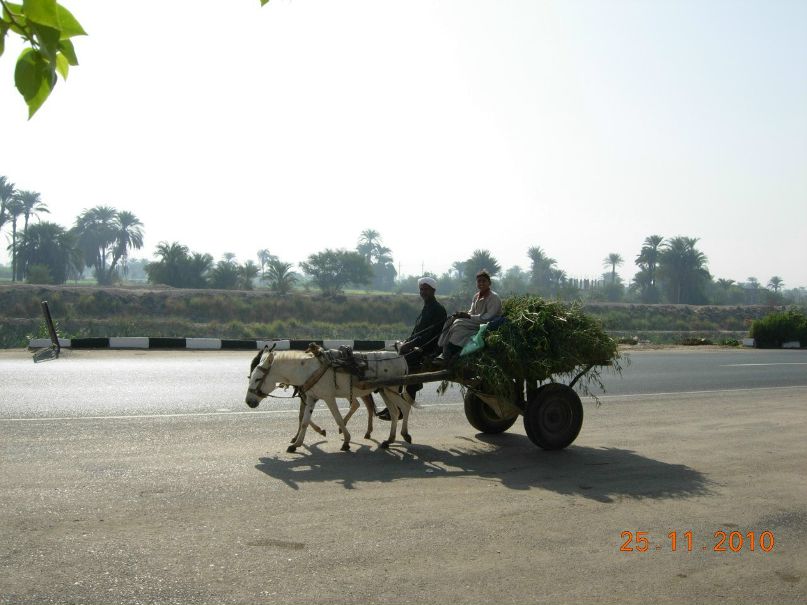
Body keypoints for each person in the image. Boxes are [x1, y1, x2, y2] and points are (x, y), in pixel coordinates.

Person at [377, 276, 447, 421]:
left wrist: (411, 344)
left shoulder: (438, 309)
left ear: (433, 290)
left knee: (406, 367)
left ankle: (400, 407)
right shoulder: (426, 307)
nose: (423, 292)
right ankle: (395, 404)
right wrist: (407, 341)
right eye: (421, 289)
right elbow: (418, 331)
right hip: (418, 344)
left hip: (429, 347)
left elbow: (431, 334)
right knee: (396, 359)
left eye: (426, 289)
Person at [436, 269, 502, 365]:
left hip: (488, 323)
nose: (481, 283)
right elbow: (472, 312)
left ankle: (450, 352)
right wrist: (462, 314)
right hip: (476, 321)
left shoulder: (493, 297)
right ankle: (443, 350)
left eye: (484, 281)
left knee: (458, 324)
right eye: (479, 281)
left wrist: (468, 317)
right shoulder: (476, 296)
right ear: (476, 283)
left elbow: (488, 317)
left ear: (489, 283)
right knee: (451, 320)